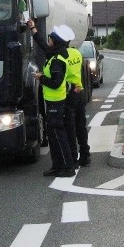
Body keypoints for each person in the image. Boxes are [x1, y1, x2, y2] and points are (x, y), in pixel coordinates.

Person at [28, 20, 76, 177]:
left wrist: (41, 78)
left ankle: (67, 167)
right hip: (52, 102)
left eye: (50, 39)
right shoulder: (54, 54)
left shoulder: (57, 61)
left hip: (56, 102)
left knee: (58, 135)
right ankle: (57, 166)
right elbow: (42, 45)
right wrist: (33, 29)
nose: (48, 41)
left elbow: (55, 83)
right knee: (53, 136)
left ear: (56, 42)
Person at [61, 27, 91, 167]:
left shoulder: (61, 56)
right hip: (80, 92)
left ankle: (73, 158)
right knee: (81, 127)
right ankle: (85, 155)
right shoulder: (77, 53)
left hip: (69, 94)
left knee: (70, 127)